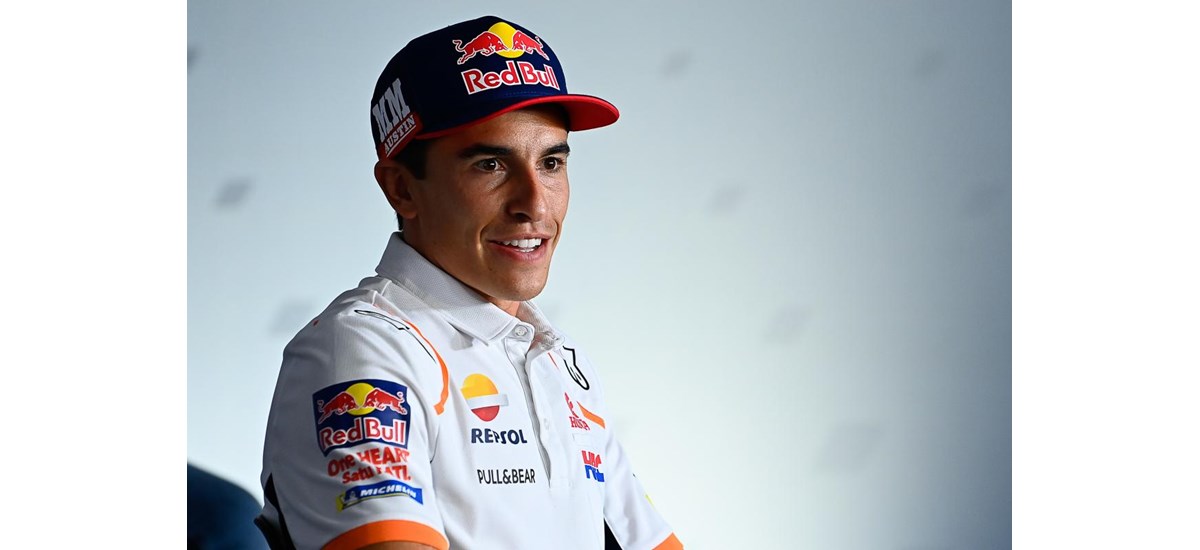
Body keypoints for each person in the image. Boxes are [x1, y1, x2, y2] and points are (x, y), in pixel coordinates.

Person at [257, 15, 683, 550]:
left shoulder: (558, 362)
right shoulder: (362, 347)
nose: (535, 204)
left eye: (551, 162)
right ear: (401, 188)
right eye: (490, 165)